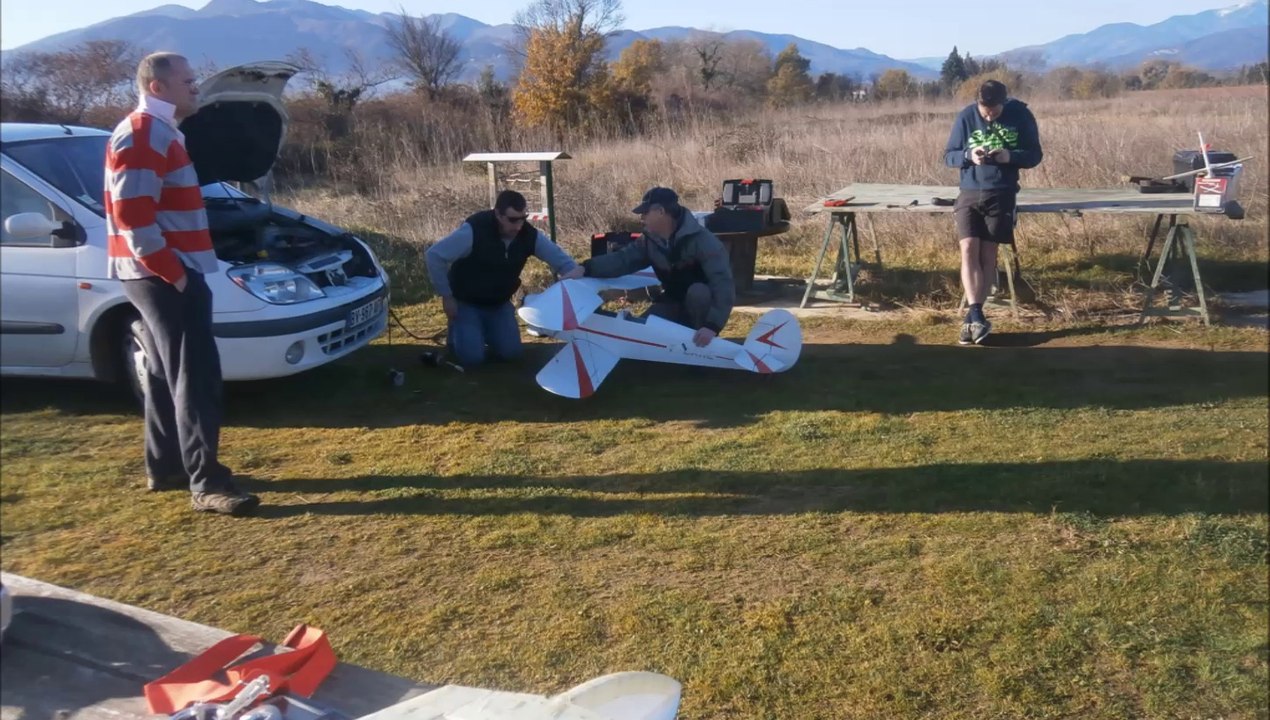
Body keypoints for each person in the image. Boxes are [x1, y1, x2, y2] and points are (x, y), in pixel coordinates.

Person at [106, 52, 260, 516]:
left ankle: (167, 465)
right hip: (163, 275)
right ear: (158, 87)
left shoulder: (161, 131)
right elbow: (131, 212)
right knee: (196, 376)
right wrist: (172, 272)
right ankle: (208, 482)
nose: (197, 88)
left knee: (162, 371)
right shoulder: (143, 132)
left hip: (159, 273)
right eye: (189, 81)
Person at [426, 190, 585, 366]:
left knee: (512, 353)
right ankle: (458, 333)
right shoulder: (474, 230)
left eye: (523, 218)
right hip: (466, 302)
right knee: (472, 359)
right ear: (498, 214)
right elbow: (434, 256)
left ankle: (482, 332)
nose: (518, 225)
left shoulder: (529, 235)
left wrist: (580, 279)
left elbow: (564, 263)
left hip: (499, 304)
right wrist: (447, 296)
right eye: (512, 219)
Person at [943, 79, 1043, 345]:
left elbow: (1034, 155)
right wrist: (969, 155)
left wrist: (1009, 157)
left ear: (1003, 102)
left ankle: (975, 316)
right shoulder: (966, 116)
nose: (988, 115)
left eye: (994, 111)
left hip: (1002, 191)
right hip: (969, 191)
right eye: (984, 110)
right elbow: (948, 156)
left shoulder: (1021, 115)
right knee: (967, 249)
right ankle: (975, 314)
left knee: (988, 254)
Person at [582, 187, 734, 347]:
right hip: (671, 301)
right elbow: (623, 260)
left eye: (645, 213)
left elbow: (723, 284)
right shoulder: (649, 240)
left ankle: (700, 349)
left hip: (701, 308)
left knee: (698, 292)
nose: (642, 218)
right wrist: (586, 268)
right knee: (641, 336)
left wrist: (712, 326)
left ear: (661, 211)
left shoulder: (704, 242)